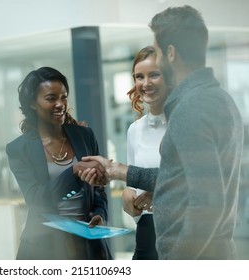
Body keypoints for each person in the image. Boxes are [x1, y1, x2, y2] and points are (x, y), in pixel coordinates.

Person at [81, 5, 244, 259]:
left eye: (157, 51)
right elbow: (184, 179)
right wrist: (117, 172)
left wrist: (173, 258)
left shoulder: (191, 109)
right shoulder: (219, 99)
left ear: (170, 53)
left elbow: (205, 204)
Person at [6, 66, 112, 260]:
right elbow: (36, 200)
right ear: (32, 104)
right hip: (45, 246)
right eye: (50, 98)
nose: (60, 104)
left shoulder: (84, 136)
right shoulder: (19, 149)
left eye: (63, 97)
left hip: (87, 244)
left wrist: (100, 213)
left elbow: (98, 189)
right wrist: (73, 172)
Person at [121, 45, 169, 260]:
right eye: (139, 76)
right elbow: (132, 183)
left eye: (154, 75)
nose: (146, 83)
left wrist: (158, 196)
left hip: (180, 233)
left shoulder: (185, 125)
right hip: (147, 234)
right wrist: (127, 195)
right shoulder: (135, 130)